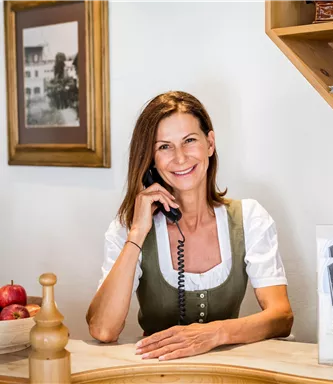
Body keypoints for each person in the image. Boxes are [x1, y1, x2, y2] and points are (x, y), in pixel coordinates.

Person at [86, 91, 293, 361]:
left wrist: (215, 333)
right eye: (164, 147)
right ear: (151, 160)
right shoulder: (128, 229)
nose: (180, 157)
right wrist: (137, 234)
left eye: (189, 141)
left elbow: (281, 317)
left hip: (227, 377)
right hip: (155, 378)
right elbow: (103, 329)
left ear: (209, 143)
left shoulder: (250, 219)